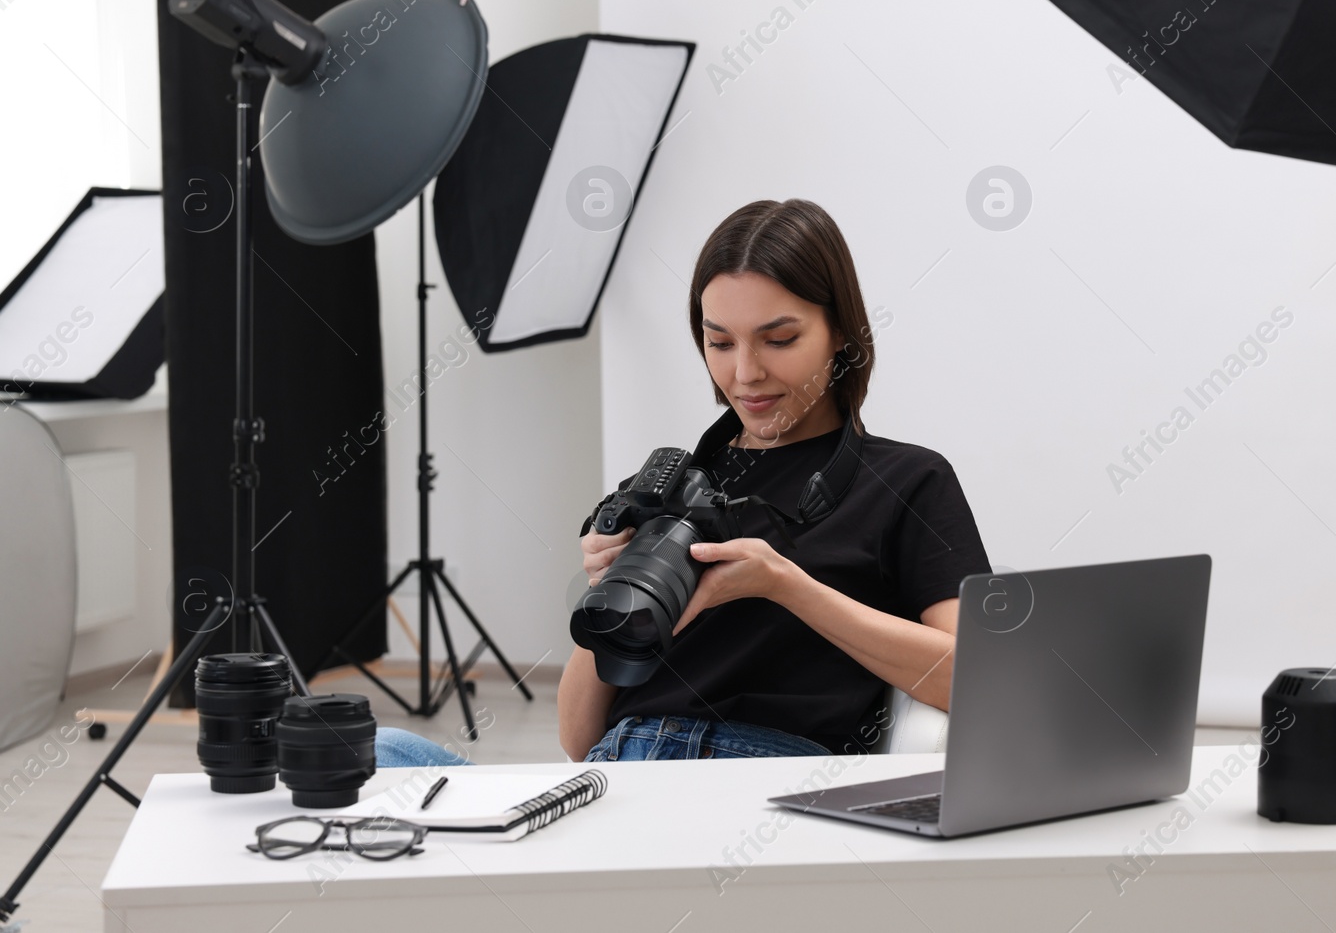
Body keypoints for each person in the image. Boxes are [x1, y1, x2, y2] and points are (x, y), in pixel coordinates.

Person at [374, 199, 989, 768]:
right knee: (380, 749)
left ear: (841, 332)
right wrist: (607, 590)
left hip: (761, 782)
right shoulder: (664, 492)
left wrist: (785, 587)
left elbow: (974, 680)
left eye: (779, 339)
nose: (744, 373)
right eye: (718, 341)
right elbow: (576, 739)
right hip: (616, 775)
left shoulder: (909, 480)